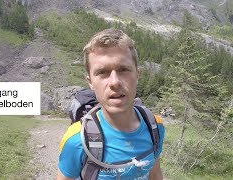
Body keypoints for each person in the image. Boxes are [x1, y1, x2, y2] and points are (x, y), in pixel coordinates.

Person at [57, 28, 165, 180]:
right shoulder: (77, 140)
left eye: (123, 70)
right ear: (90, 82)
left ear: (137, 74)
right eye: (102, 72)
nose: (114, 82)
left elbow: (155, 174)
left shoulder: (154, 126)